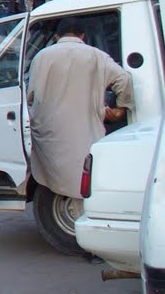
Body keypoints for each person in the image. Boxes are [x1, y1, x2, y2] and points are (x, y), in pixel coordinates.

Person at [26, 17, 133, 200]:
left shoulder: (42, 56)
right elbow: (124, 80)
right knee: (86, 175)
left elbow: (31, 96)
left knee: (55, 176)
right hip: (86, 133)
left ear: (57, 36)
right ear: (82, 36)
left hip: (51, 135)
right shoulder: (97, 56)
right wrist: (120, 109)